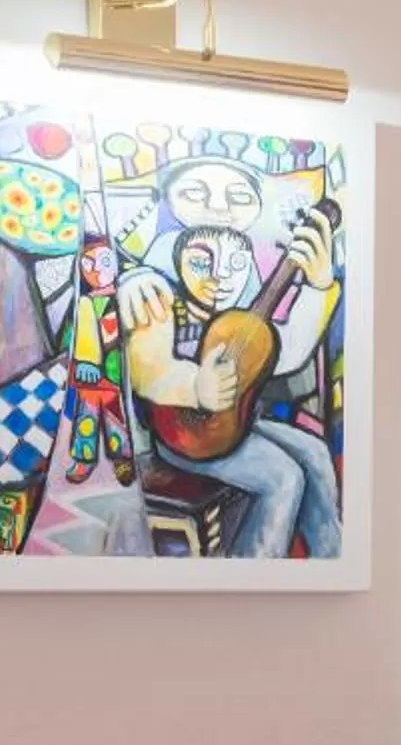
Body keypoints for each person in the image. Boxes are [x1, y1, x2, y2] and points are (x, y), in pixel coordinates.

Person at [119, 205, 343, 559]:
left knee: (314, 452)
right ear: (176, 260)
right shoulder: (163, 306)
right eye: (201, 262)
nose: (220, 276)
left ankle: (328, 559)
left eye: (236, 263)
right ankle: (254, 570)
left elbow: (285, 353)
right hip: (180, 436)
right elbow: (147, 370)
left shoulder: (240, 318)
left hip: (233, 427)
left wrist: (319, 288)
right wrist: (195, 386)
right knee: (283, 476)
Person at [63, 236, 135, 485]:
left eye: (104, 261)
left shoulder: (126, 297)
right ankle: (84, 458)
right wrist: (85, 361)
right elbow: (76, 335)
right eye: (88, 264)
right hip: (90, 376)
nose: (96, 270)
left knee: (117, 417)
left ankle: (123, 458)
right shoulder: (84, 303)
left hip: (117, 373)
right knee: (87, 417)